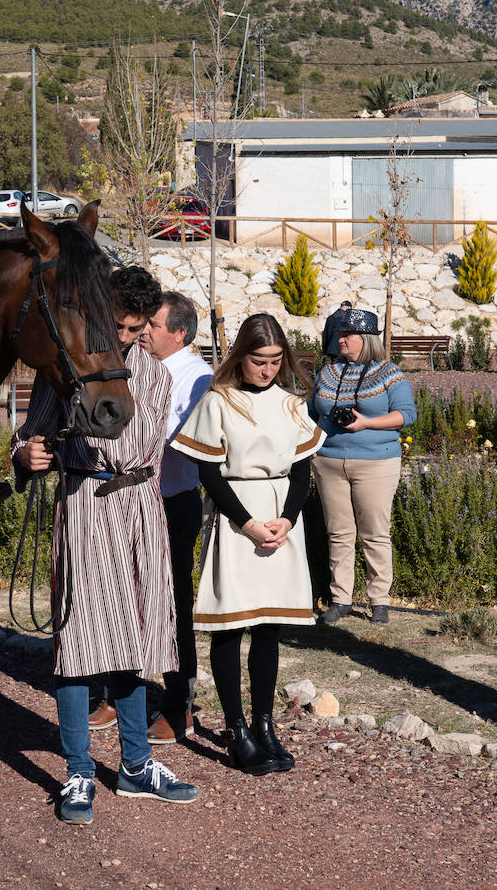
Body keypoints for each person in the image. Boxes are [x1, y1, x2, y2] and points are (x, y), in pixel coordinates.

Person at [14, 266, 199, 825]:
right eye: (121, 326)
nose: (129, 337)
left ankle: (138, 767)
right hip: (88, 503)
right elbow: (32, 432)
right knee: (79, 640)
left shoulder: (157, 372)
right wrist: (25, 455)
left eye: (137, 328)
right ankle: (79, 772)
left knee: (136, 638)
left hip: (143, 509)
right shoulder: (65, 362)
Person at [172, 314, 325, 776]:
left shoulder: (292, 404)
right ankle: (236, 730)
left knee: (270, 626)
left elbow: (301, 470)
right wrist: (247, 523)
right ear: (241, 357)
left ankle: (264, 724)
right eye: (259, 360)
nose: (268, 369)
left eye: (277, 361)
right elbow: (206, 471)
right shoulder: (218, 401)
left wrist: (286, 520)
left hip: (281, 520)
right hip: (237, 517)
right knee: (230, 625)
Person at [137, 291, 213, 743]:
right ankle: (119, 689)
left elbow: (179, 438)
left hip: (171, 501)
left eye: (153, 324)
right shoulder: (138, 367)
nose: (144, 330)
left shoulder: (197, 379)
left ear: (179, 333)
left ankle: (177, 701)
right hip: (129, 500)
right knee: (125, 597)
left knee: (172, 603)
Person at [308, 309, 417, 625]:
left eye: (347, 335)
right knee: (338, 532)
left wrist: (368, 422)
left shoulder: (389, 374)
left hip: (376, 464)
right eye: (338, 334)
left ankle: (379, 601)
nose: (339, 339)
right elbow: (313, 413)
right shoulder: (327, 374)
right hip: (329, 462)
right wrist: (312, 444)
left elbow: (406, 414)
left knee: (375, 533)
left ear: (366, 339)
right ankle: (340, 599)